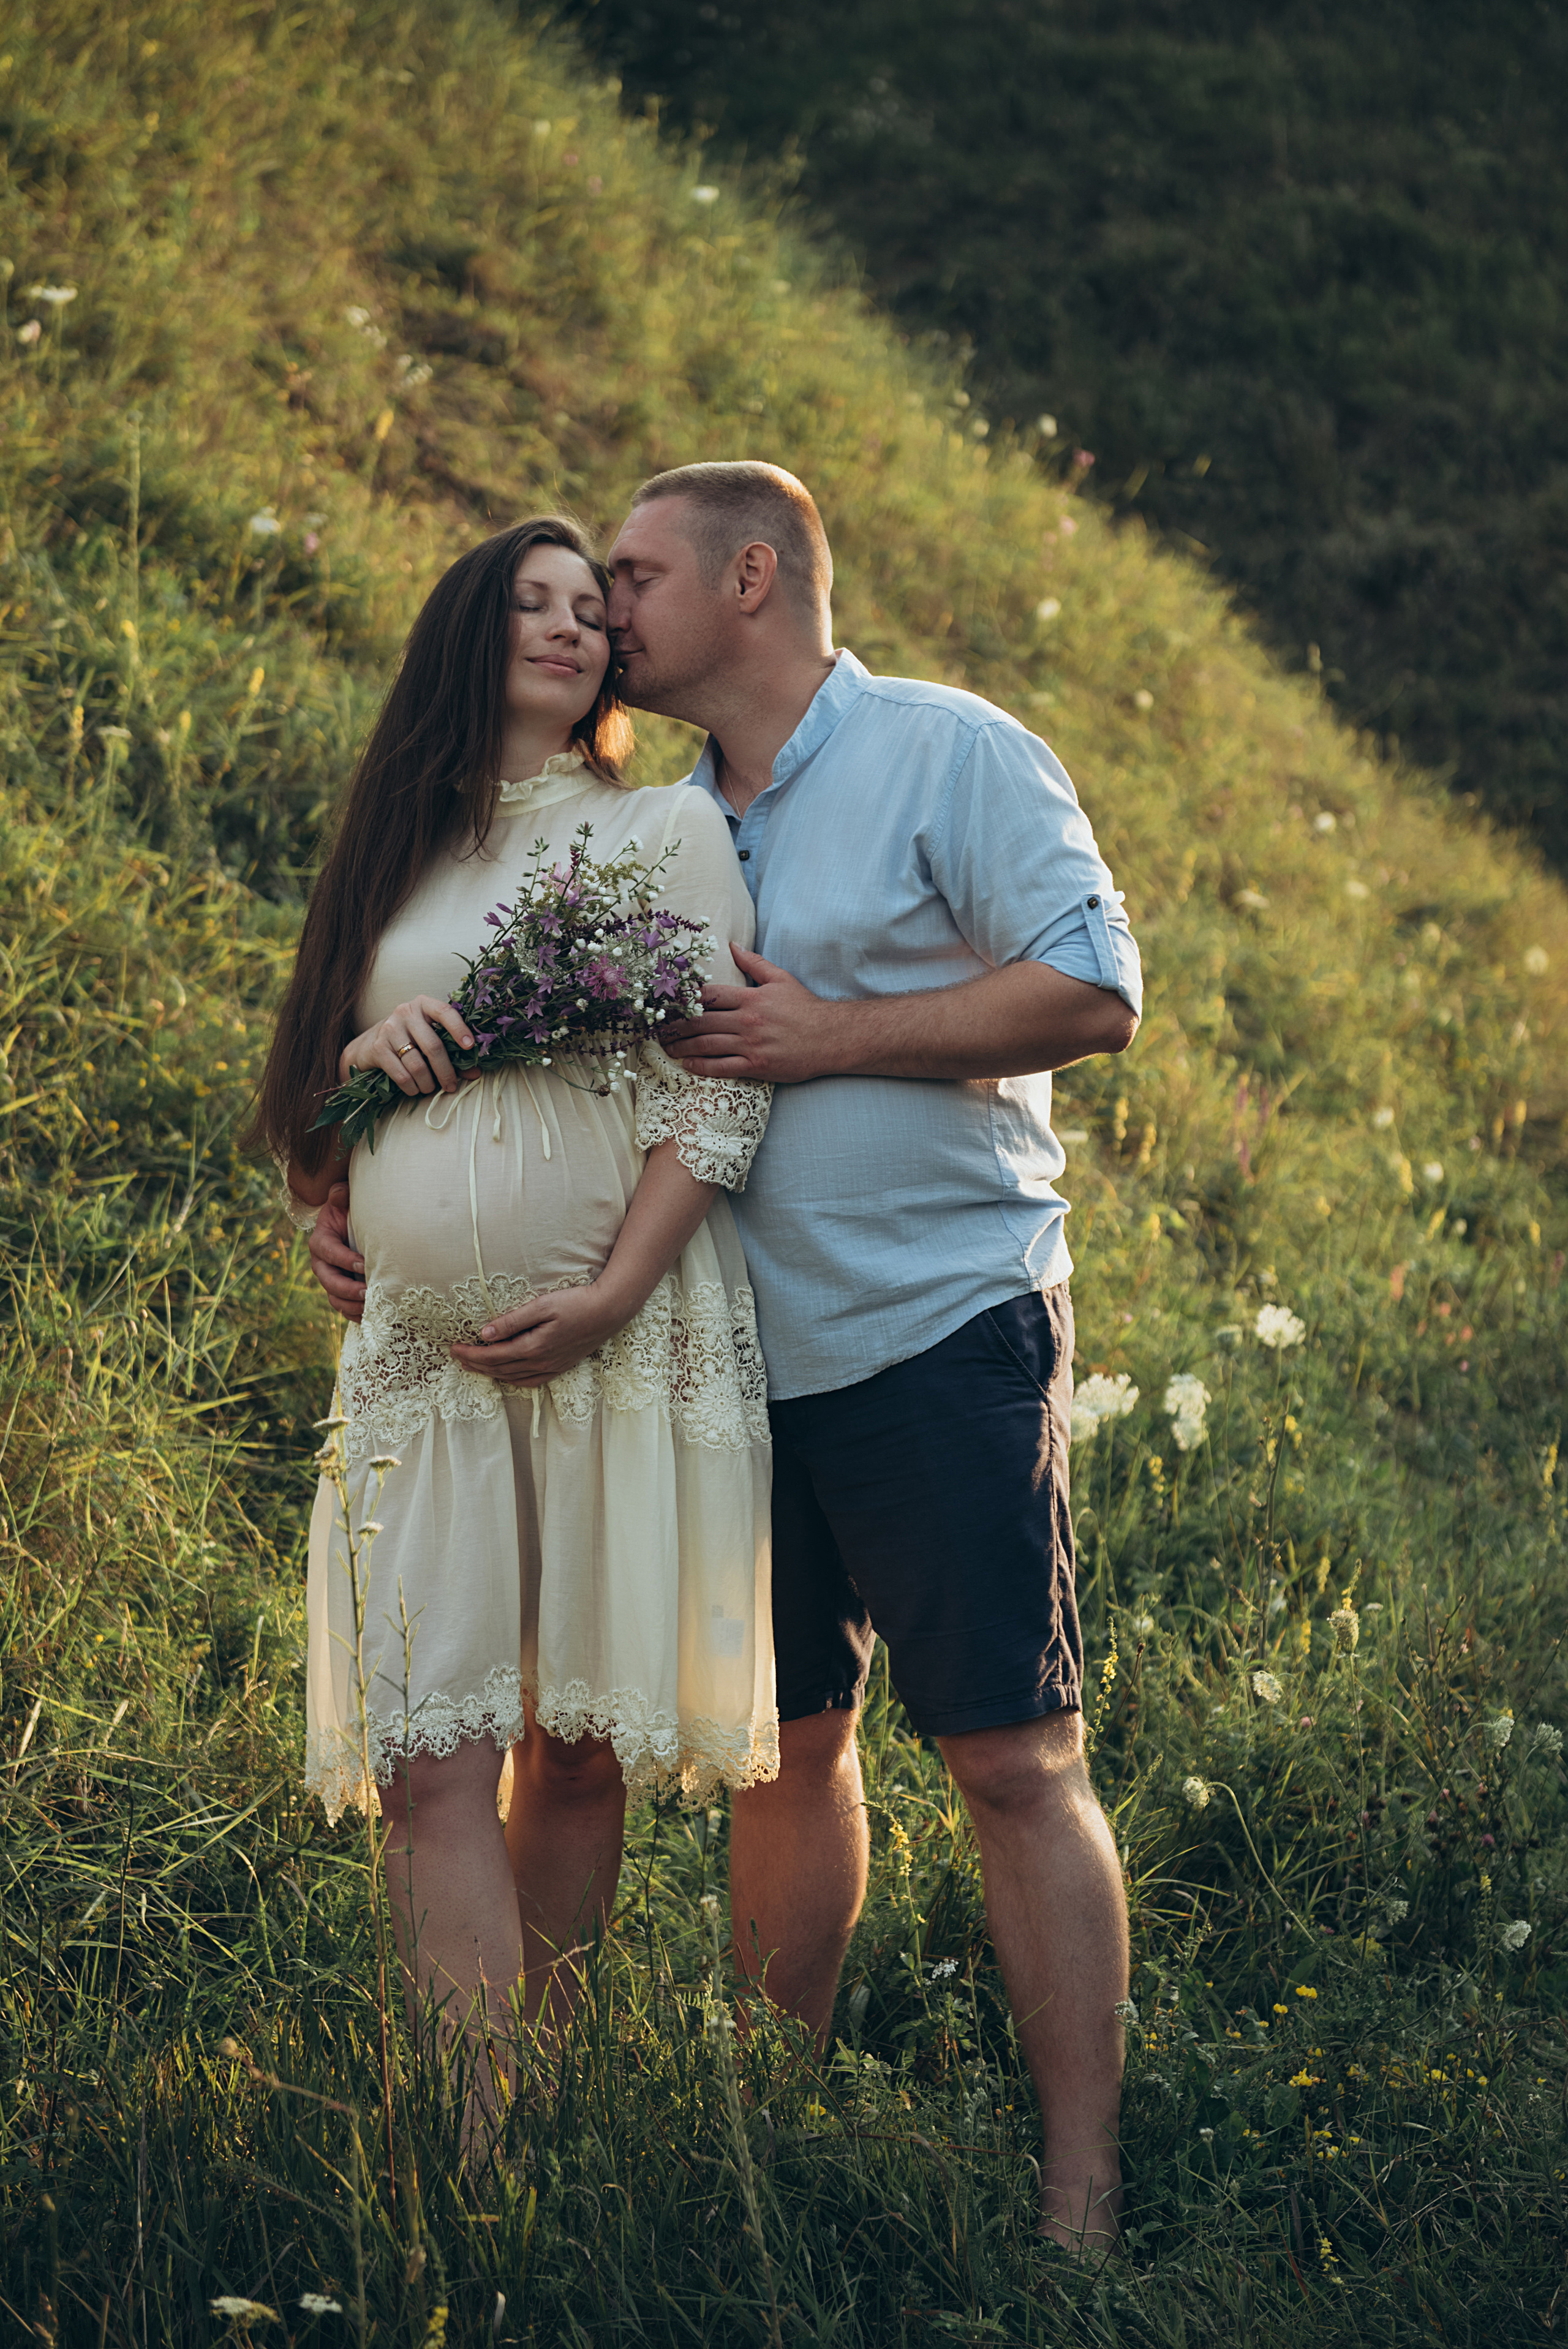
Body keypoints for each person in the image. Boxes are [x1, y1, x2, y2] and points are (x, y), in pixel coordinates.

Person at [310, 464, 1142, 2250]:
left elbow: (1093, 988)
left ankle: (1082, 2192)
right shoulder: (673, 815)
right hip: (739, 1350)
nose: (606, 612)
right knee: (793, 1749)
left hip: (931, 1324)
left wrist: (829, 1035)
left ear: (749, 577)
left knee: (1009, 1755)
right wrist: (361, 1187)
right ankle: (780, 2109)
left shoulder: (945, 752)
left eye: (627, 577)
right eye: (577, 588)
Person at [251, 515, 777, 2131]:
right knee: (432, 1759)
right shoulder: (393, 851)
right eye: (531, 604)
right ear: (466, 636)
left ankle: (539, 2112)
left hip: (616, 1343)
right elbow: (310, 1130)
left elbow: (720, 1092)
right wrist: (350, 1112)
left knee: (574, 1748)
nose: (569, 628)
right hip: (423, 1369)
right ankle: (472, 2153)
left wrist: (611, 1292)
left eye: (588, 610)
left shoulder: (664, 830)